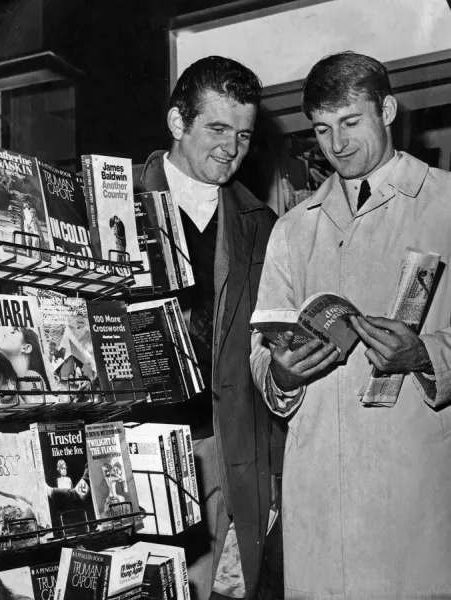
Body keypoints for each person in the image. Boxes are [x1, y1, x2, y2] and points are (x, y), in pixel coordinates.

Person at [250, 50, 451, 599]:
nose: (335, 145)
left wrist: (426, 354)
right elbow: (262, 350)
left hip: (415, 499)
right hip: (319, 500)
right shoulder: (292, 230)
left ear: (386, 109)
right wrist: (284, 373)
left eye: (350, 122)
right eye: (321, 129)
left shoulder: (447, 203)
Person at [132, 55, 285, 600]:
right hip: (138, 445)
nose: (231, 147)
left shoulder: (263, 226)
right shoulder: (114, 200)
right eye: (217, 128)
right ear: (178, 123)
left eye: (243, 134)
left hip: (229, 447)